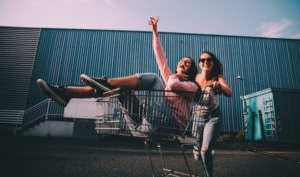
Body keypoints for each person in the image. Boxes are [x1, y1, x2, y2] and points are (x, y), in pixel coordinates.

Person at [37, 17, 199, 132]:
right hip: (148, 125)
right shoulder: (173, 76)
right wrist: (155, 33)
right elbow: (161, 58)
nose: (183, 63)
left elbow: (172, 84)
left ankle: (104, 81)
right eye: (181, 61)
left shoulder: (191, 86)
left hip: (172, 126)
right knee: (121, 89)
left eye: (188, 63)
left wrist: (173, 76)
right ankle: (67, 93)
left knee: (156, 78)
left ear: (191, 71)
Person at [191, 51, 232, 177]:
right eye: (203, 60)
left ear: (213, 62)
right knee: (198, 155)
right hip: (197, 119)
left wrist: (219, 85)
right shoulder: (194, 78)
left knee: (205, 151)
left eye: (209, 59)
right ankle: (205, 152)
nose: (206, 62)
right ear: (199, 63)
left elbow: (229, 92)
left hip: (212, 118)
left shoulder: (217, 77)